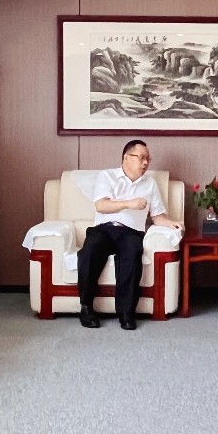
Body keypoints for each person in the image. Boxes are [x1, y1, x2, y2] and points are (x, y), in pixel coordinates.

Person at [76, 140, 183, 330]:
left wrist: (171, 223)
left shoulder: (150, 184)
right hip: (104, 229)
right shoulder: (107, 176)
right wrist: (129, 203)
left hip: (131, 232)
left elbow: (157, 216)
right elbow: (101, 205)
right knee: (90, 250)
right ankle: (86, 307)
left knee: (132, 254)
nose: (145, 163)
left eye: (148, 159)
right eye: (141, 158)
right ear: (126, 157)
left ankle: (126, 313)